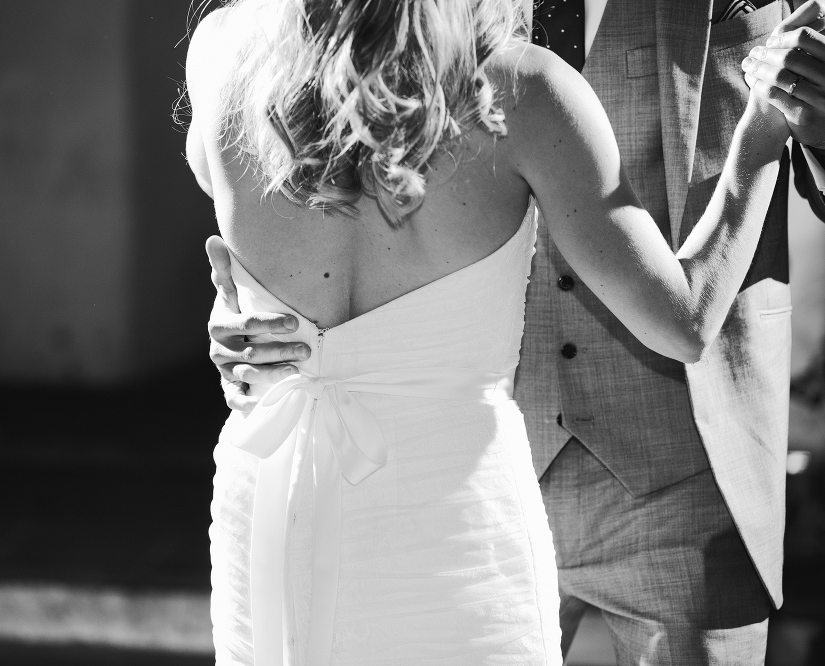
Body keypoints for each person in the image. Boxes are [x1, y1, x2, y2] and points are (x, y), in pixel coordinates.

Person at [189, 0, 794, 663]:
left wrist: (240, 298)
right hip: (456, 510)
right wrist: (765, 125)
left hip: (279, 492)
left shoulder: (225, 51)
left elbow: (241, 227)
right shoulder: (515, 89)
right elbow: (683, 324)